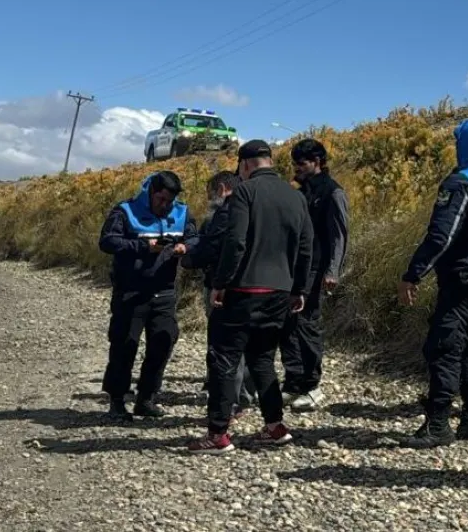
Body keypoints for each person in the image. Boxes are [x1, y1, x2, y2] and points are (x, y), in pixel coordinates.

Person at [188, 140, 313, 454]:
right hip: (279, 293)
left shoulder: (243, 192)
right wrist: (299, 289)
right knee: (262, 360)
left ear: (244, 165)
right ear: (269, 161)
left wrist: (221, 282)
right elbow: (305, 247)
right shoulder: (296, 196)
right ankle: (275, 427)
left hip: (243, 290)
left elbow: (236, 242)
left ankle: (218, 434)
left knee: (223, 360)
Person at [397, 119, 468, 448]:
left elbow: (441, 237)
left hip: (466, 281)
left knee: (444, 349)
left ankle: (438, 425)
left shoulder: (463, 182)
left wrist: (413, 274)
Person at [98, 170, 198, 421]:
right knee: (124, 346)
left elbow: (196, 238)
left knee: (163, 343)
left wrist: (185, 247)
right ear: (151, 192)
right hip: (130, 292)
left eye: (169, 201)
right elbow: (108, 241)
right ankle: (117, 400)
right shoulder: (125, 211)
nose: (164, 206)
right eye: (160, 199)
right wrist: (144, 246)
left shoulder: (182, 213)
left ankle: (146, 399)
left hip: (164, 291)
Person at [281, 139, 350, 412]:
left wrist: (333, 270)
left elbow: (339, 235)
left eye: (302, 163)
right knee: (288, 324)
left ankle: (313, 386)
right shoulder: (301, 191)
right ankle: (294, 380)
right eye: (294, 163)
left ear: (317, 162)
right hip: (293, 268)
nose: (297, 168)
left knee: (307, 325)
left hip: (316, 269)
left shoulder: (332, 193)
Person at [181, 170, 257, 417]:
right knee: (247, 343)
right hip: (254, 285)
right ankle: (244, 394)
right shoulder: (254, 207)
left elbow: (213, 247)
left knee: (224, 345)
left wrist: (187, 258)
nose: (209, 199)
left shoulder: (225, 212)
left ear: (223, 188)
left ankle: (229, 402)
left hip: (223, 286)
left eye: (210, 193)